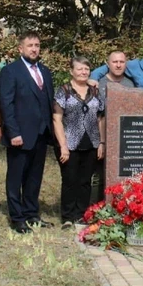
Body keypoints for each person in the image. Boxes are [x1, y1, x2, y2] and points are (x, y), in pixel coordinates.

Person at [0, 32, 55, 233]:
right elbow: (6, 104)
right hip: (20, 135)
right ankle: (17, 218)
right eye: (30, 45)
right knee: (16, 178)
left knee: (34, 177)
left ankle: (32, 213)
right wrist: (13, 132)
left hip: (40, 134)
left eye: (37, 45)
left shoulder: (45, 72)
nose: (34, 49)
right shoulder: (10, 72)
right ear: (20, 48)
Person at [52, 56, 106, 227]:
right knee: (70, 180)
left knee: (85, 181)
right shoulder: (63, 91)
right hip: (70, 142)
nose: (83, 72)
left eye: (86, 69)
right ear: (71, 71)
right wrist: (63, 146)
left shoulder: (95, 91)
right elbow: (57, 119)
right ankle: (67, 216)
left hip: (91, 142)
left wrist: (102, 143)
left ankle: (81, 214)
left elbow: (100, 118)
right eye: (79, 69)